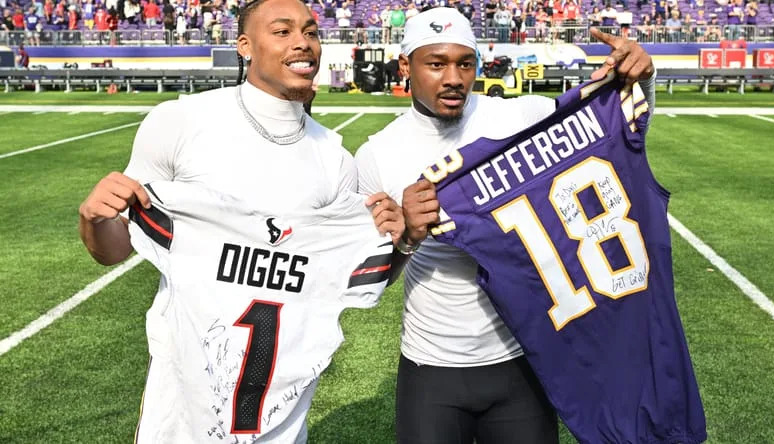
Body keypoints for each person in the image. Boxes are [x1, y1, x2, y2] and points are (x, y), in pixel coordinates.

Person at [78, 0, 401, 441]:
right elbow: (112, 251)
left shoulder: (335, 160)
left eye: (311, 32)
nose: (303, 43)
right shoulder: (181, 121)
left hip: (281, 415)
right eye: (282, 31)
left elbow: (351, 279)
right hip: (180, 406)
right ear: (244, 46)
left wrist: (397, 237)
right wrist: (95, 219)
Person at [354, 7, 657, 443]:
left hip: (522, 357)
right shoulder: (378, 154)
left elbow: (618, 134)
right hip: (431, 365)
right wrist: (408, 240)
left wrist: (641, 80)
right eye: (436, 63)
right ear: (406, 66)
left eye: (465, 62)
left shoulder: (520, 118)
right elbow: (371, 283)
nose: (454, 78)